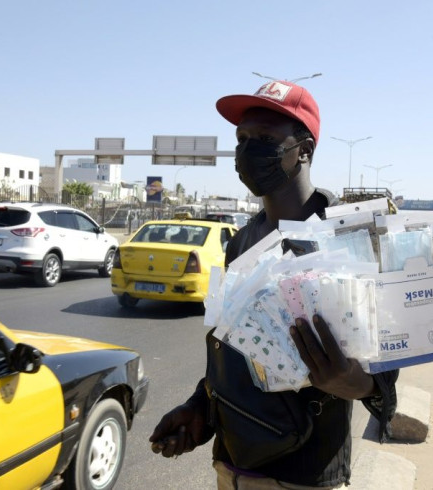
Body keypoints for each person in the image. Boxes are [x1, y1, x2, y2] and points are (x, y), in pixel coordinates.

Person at [149, 81, 398, 489]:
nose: (248, 151)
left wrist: (354, 382)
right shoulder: (242, 242)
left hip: (303, 474)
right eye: (242, 139)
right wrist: (200, 409)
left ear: (305, 150)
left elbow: (385, 380)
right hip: (232, 465)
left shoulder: (351, 237)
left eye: (265, 138)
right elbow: (232, 350)